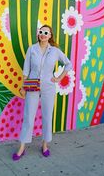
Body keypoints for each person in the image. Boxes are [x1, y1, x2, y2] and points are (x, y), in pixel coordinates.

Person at [12, 24, 72, 161]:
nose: (43, 34)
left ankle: (45, 145)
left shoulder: (55, 51)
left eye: (46, 32)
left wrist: (58, 78)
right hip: (32, 85)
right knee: (28, 116)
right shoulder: (32, 49)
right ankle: (22, 147)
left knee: (47, 116)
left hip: (48, 86)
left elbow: (68, 64)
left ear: (50, 36)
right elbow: (26, 69)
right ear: (38, 34)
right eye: (41, 32)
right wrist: (23, 86)